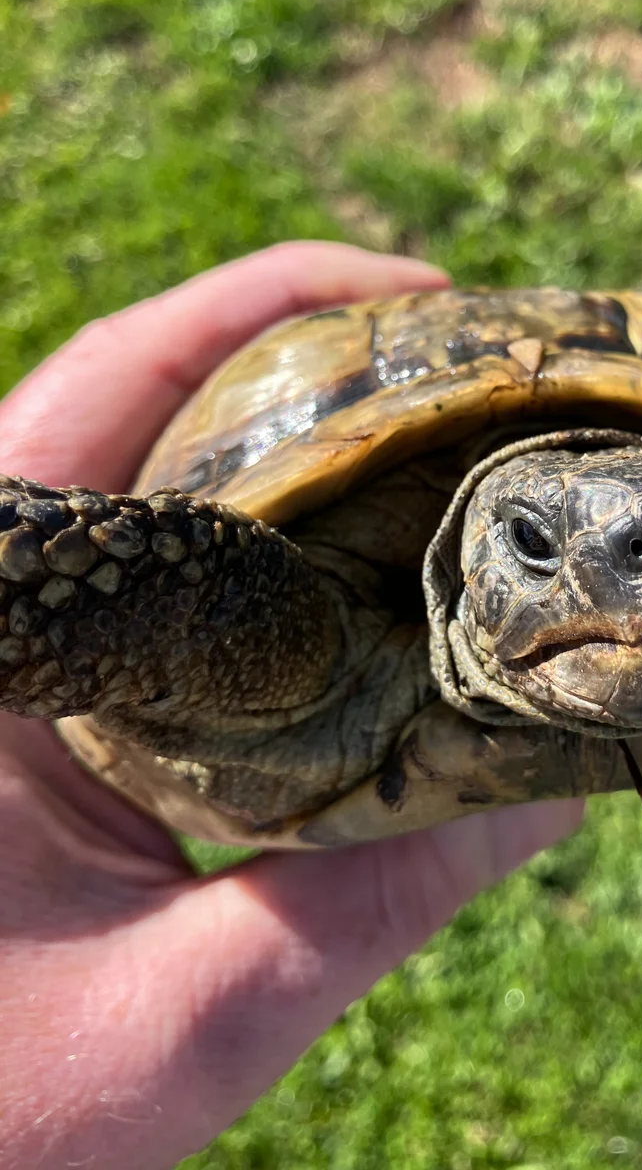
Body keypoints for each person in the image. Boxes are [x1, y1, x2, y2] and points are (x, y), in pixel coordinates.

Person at [0, 243, 583, 1169]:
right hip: (290, 648)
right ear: (468, 555)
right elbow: (153, 596)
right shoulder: (272, 628)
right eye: (534, 546)